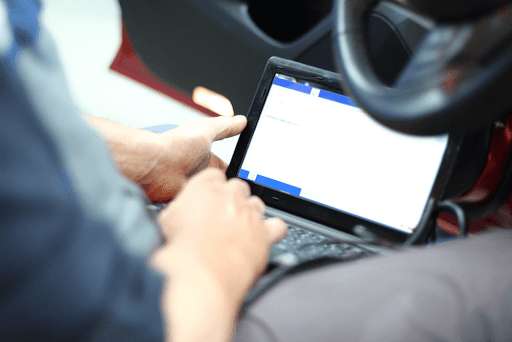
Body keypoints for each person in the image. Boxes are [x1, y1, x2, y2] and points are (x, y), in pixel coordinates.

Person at [0, 0, 285, 341]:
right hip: (152, 298)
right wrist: (218, 253)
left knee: (167, 133)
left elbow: (27, 114)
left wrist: (152, 159)